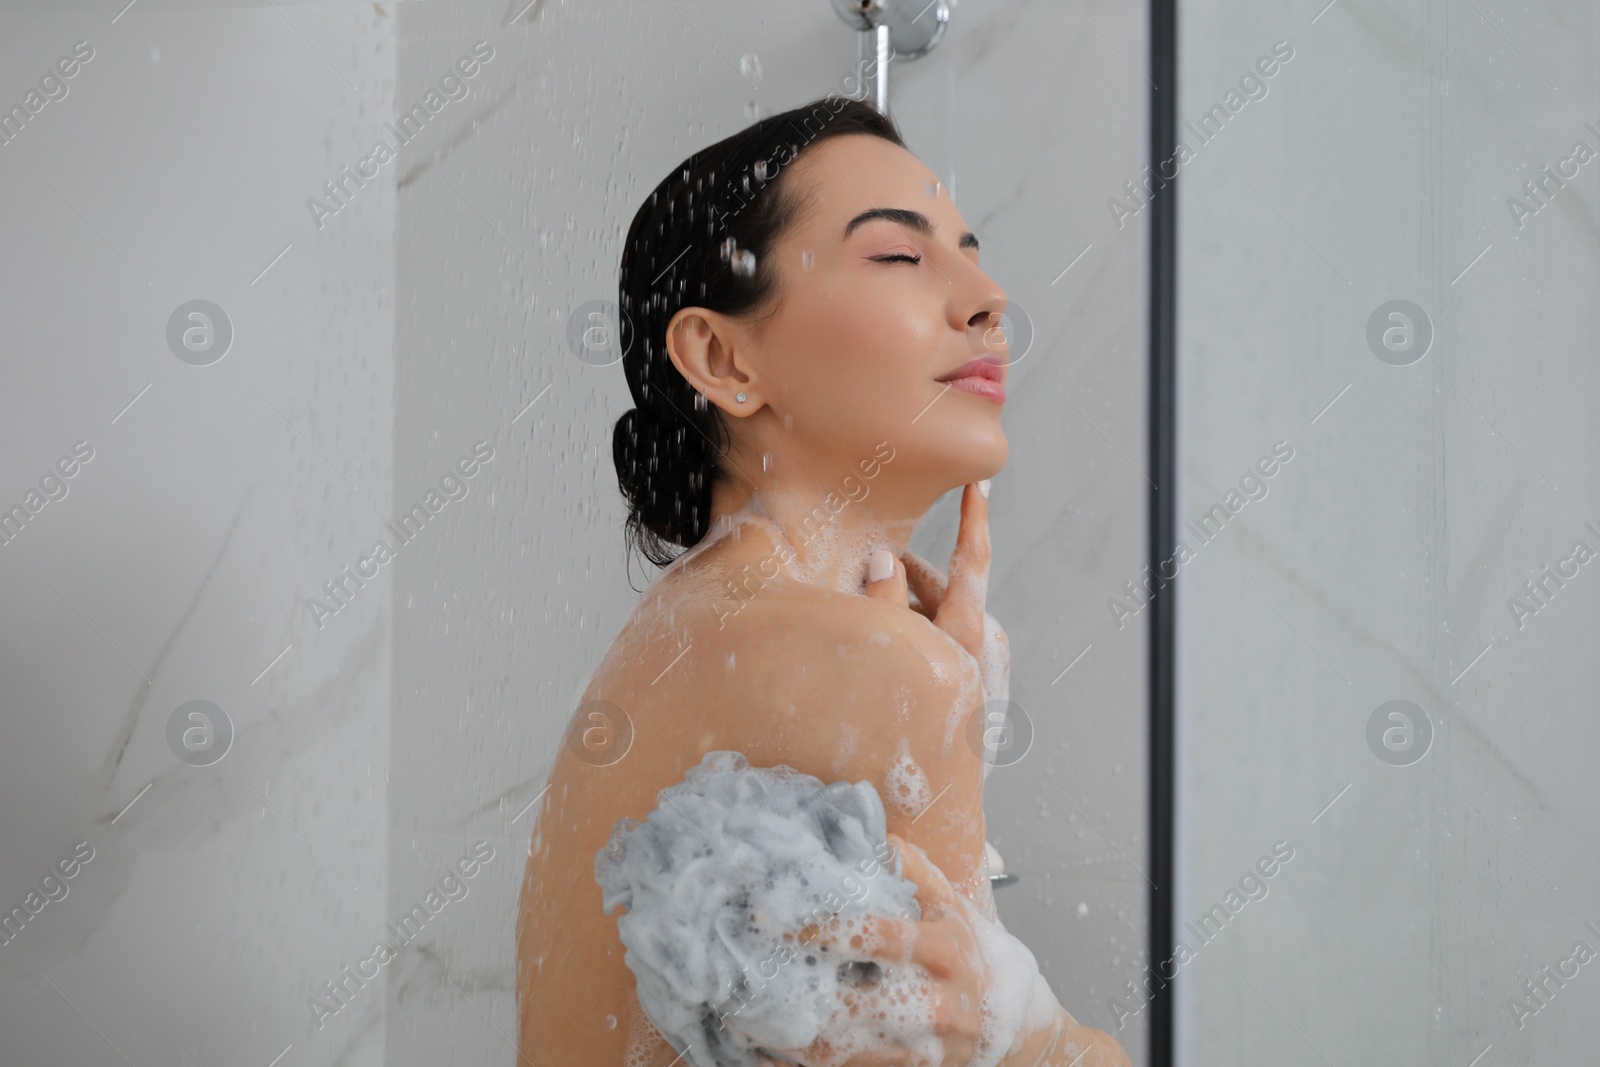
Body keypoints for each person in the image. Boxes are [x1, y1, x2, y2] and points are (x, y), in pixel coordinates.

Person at [517, 95, 1130, 1067]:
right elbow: (965, 1040)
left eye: (968, 248)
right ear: (723, 357)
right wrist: (1046, 1033)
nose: (984, 296)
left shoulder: (701, 624)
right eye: (898, 255)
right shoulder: (865, 663)